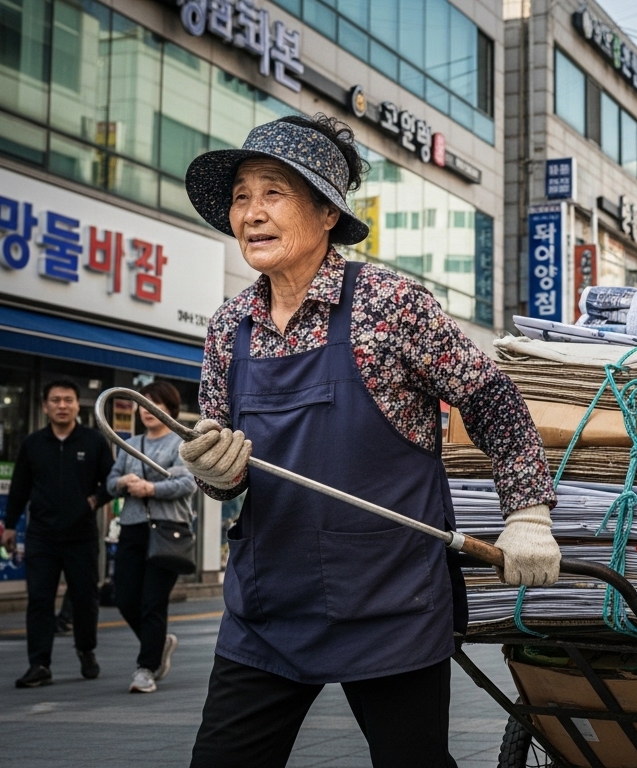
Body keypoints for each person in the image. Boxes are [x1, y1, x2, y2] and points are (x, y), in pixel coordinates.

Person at [178, 114, 561, 768]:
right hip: (268, 605)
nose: (251, 213)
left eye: (273, 193)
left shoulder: (390, 304)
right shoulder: (227, 327)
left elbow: (491, 397)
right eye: (242, 197)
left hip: (390, 603)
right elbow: (228, 471)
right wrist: (215, 474)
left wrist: (527, 513)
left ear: (327, 213)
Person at [2, 379, 115, 688]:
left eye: (68, 400)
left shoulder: (93, 441)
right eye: (55, 400)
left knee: (84, 598)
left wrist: (94, 500)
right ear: (45, 406)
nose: (62, 405)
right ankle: (39, 664)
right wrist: (10, 525)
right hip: (41, 535)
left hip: (81, 535)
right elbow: (19, 487)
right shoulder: (33, 444)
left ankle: (86, 650)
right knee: (39, 599)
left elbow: (112, 480)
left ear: (78, 405)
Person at [106, 380, 197, 694]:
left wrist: (151, 488)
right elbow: (110, 481)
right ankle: (159, 644)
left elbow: (188, 484)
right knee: (124, 597)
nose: (148, 412)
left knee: (152, 602)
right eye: (143, 406)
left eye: (156, 406)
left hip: (168, 531)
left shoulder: (180, 444)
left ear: (170, 410)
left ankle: (146, 668)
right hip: (132, 528)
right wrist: (122, 483)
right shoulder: (130, 443)